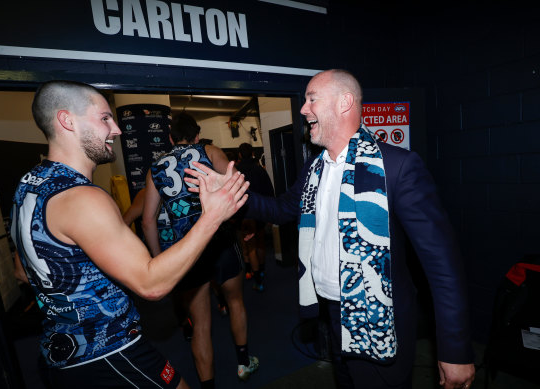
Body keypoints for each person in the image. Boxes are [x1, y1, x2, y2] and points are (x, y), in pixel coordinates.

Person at [184, 69, 476, 389]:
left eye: (312, 99)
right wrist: (232, 195)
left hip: (378, 323)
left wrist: (455, 350)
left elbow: (443, 265)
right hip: (333, 318)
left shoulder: (398, 167)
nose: (303, 109)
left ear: (344, 103)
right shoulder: (315, 168)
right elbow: (281, 210)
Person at [10, 80, 249, 389]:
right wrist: (212, 216)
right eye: (105, 118)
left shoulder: (30, 183)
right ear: (67, 120)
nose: (117, 129)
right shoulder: (83, 198)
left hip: (60, 354)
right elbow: (152, 285)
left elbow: (21, 270)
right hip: (107, 350)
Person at [141, 112, 259, 388]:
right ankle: (243, 362)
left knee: (201, 326)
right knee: (235, 302)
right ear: (196, 135)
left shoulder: (155, 168)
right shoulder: (210, 150)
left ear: (170, 138)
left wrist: (160, 262)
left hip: (188, 251)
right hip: (220, 243)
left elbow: (148, 221)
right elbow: (238, 190)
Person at [236, 143, 275, 291]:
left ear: (239, 154)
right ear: (252, 153)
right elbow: (269, 192)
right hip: (260, 212)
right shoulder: (260, 170)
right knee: (260, 243)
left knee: (250, 246)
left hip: (245, 214)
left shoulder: (236, 172)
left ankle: (257, 278)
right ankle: (262, 270)